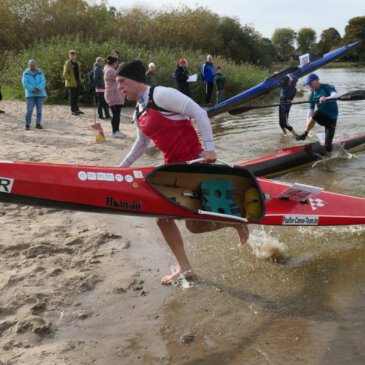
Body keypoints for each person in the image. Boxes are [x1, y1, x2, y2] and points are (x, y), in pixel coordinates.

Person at [116, 60, 249, 285]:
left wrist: (210, 148)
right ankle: (230, 225)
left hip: (194, 163)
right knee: (184, 224)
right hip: (172, 167)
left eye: (121, 81)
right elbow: (142, 143)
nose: (119, 87)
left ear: (135, 79)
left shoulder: (161, 95)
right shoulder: (139, 109)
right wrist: (122, 169)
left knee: (170, 220)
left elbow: (199, 112)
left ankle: (189, 264)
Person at [296, 73, 339, 157]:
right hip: (321, 117)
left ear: (316, 80)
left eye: (310, 83)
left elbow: (336, 95)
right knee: (316, 113)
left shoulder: (327, 87)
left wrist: (327, 98)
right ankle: (305, 134)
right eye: (308, 84)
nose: (309, 86)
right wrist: (306, 128)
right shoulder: (312, 95)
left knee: (327, 144)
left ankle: (328, 160)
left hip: (332, 119)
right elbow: (310, 112)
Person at [21, 59, 47, 130]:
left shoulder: (40, 72)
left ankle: (38, 124)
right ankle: (27, 124)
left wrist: (38, 88)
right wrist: (33, 89)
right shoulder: (25, 73)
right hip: (30, 94)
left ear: (36, 65)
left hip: (40, 93)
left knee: (39, 110)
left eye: (34, 65)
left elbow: (43, 81)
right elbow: (25, 84)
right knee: (29, 110)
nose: (32, 66)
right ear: (29, 65)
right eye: (31, 65)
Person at [104, 55, 125, 138]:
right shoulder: (110, 70)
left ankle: (117, 130)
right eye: (117, 63)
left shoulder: (111, 69)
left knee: (117, 114)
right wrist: (122, 67)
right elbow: (121, 77)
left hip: (115, 95)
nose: (117, 64)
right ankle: (114, 131)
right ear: (114, 63)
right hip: (113, 96)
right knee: (115, 115)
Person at [63, 50, 83, 116]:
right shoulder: (68, 63)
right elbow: (65, 73)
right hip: (72, 83)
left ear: (76, 56)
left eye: (74, 55)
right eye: (71, 55)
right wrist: (70, 79)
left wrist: (80, 79)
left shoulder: (77, 63)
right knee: (72, 96)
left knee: (76, 96)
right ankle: (73, 110)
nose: (73, 56)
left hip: (77, 82)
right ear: (69, 56)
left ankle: (77, 109)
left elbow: (78, 72)